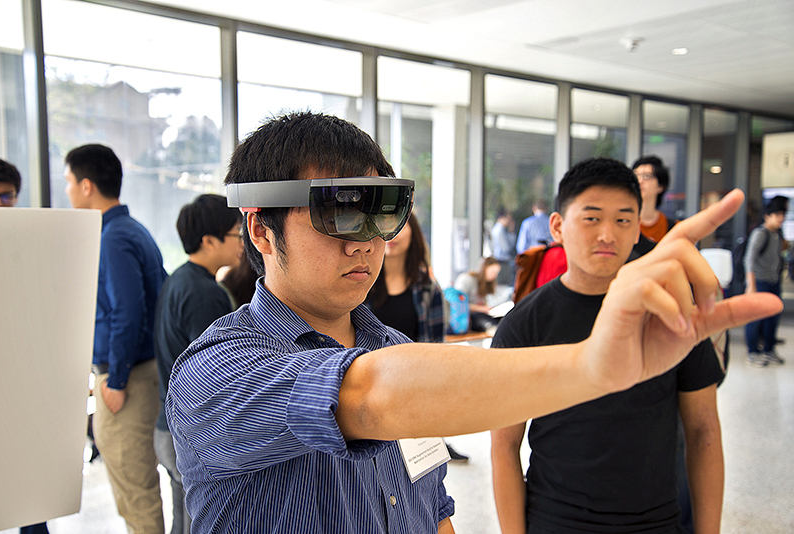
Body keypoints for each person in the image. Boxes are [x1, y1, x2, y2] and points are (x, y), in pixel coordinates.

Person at [165, 111, 781, 534]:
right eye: (336, 214)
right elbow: (368, 394)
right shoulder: (215, 372)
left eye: (382, 212)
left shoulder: (394, 345)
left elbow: (428, 506)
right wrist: (591, 364)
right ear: (259, 227)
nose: (367, 244)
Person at [490, 158, 725, 534]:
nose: (607, 235)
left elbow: (703, 431)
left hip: (657, 522)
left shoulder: (673, 313)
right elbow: (505, 445)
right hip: (555, 522)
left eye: (623, 220)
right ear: (558, 226)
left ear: (637, 230)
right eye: (591, 218)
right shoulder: (525, 323)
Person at [64, 144, 166, 534]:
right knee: (135, 487)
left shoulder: (113, 237)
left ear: (87, 186)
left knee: (134, 491)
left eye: (70, 182)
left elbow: (127, 312)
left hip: (130, 377)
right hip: (140, 370)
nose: (69, 190)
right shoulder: (130, 228)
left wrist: (117, 380)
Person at [153, 194, 243, 534]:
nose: (243, 241)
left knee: (184, 523)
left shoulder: (180, 279)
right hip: (186, 437)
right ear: (209, 241)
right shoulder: (204, 295)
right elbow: (216, 374)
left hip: (168, 428)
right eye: (236, 233)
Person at [365, 213, 468, 462]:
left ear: (413, 234)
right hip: (369, 382)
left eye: (398, 227)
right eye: (384, 227)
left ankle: (436, 441)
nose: (391, 235)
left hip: (412, 381)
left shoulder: (427, 289)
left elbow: (434, 350)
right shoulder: (361, 283)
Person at [0, 157, 51, 534]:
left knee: (31, 501)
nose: (2, 205)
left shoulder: (30, 248)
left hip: (22, 387)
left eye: (8, 196)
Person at [744, 196, 788, 367]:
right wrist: (751, 284)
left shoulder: (777, 234)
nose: (781, 219)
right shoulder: (760, 233)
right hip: (760, 281)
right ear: (767, 216)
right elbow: (749, 259)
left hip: (774, 281)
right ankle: (753, 353)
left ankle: (768, 350)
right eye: (777, 215)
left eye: (782, 215)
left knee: (773, 318)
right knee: (755, 318)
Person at [454, 257, 507, 331]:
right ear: (484, 269)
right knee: (483, 320)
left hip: (480, 315)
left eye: (496, 273)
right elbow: (457, 304)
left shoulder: (485, 284)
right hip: (466, 317)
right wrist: (481, 308)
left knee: (503, 320)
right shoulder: (467, 279)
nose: (495, 275)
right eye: (493, 272)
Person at [632, 155, 675, 244]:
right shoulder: (623, 223)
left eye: (647, 176)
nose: (640, 181)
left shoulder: (673, 228)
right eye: (636, 175)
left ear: (661, 186)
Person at [490, 208, 517, 285]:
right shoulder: (499, 230)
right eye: (508, 219)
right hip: (502, 260)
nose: (509, 221)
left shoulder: (501, 230)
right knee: (503, 284)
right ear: (502, 218)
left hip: (503, 261)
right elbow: (506, 248)